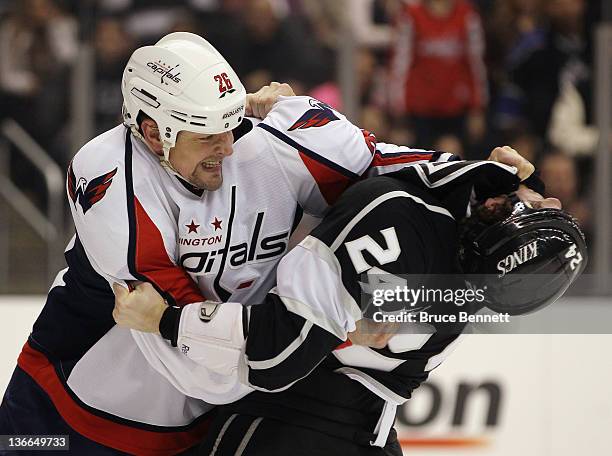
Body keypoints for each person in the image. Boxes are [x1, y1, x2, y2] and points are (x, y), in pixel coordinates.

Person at [0, 32, 460, 455]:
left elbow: (381, 167)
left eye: (230, 125)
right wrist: (319, 332)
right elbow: (196, 370)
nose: (229, 147)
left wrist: (490, 184)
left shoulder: (269, 139)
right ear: (154, 132)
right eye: (208, 135)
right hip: (62, 415)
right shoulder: (109, 180)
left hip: (196, 430)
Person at [112, 153, 586, 455]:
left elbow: (276, 354)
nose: (553, 195)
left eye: (539, 203)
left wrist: (167, 321)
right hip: (363, 433)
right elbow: (501, 237)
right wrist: (519, 185)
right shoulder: (473, 271)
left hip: (294, 431)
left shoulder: (399, 222)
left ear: (499, 214)